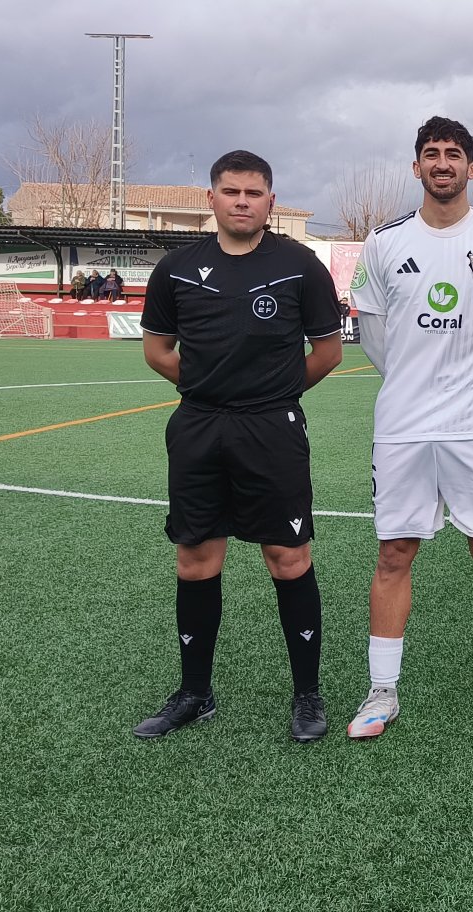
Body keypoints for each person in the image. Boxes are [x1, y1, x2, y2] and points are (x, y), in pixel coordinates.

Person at [131, 150, 344, 742]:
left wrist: (271, 394)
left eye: (254, 193)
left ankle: (307, 695)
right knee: (196, 559)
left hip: (272, 429)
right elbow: (156, 351)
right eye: (231, 192)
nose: (242, 202)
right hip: (199, 427)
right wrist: (209, 389)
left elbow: (328, 353)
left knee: (288, 557)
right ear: (212, 199)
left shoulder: (299, 265)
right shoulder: (176, 268)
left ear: (270, 201)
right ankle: (194, 693)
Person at [346, 116, 473, 741]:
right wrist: (413, 381)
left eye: (453, 154)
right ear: (416, 167)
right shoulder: (383, 243)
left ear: (471, 168)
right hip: (403, 426)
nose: (442, 163)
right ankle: (381, 692)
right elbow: (374, 335)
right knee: (393, 554)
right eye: (431, 153)